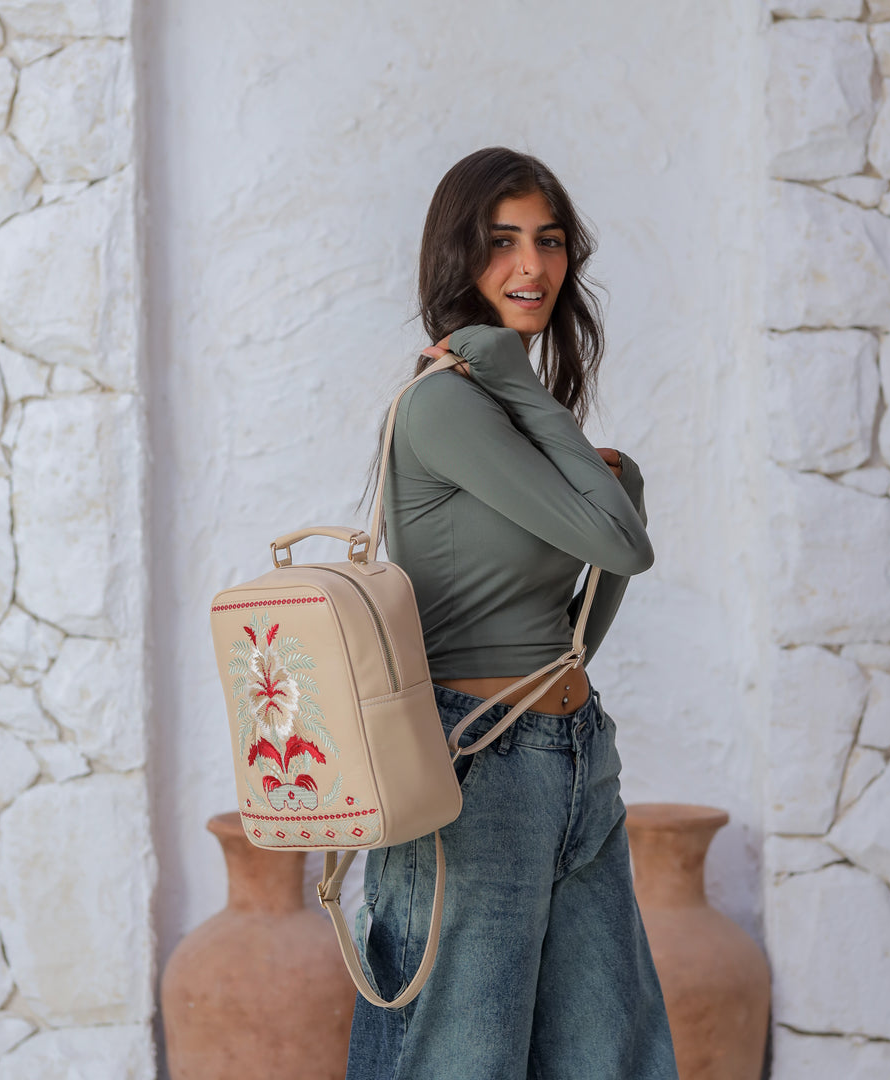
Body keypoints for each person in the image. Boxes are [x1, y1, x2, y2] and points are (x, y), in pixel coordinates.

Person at [347, 147, 679, 1080]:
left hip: (576, 759)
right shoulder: (444, 408)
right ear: (458, 257)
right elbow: (623, 545)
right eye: (500, 243)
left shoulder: (521, 417)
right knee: (458, 1059)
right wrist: (510, 373)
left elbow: (592, 590)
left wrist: (617, 474)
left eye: (548, 241)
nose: (530, 267)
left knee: (610, 1058)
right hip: (473, 770)